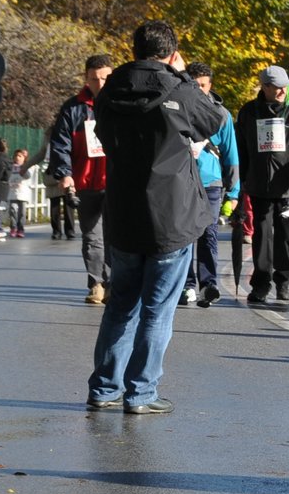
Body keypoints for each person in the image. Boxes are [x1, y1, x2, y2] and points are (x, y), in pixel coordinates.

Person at [85, 20, 226, 415]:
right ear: (172, 51)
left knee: (120, 305)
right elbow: (215, 119)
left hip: (124, 212)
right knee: (158, 308)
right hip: (172, 215)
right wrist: (180, 74)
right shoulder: (180, 88)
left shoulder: (111, 89)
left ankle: (104, 387)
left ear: (134, 49)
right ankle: (141, 392)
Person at [235, 65, 289, 305]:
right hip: (258, 186)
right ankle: (260, 284)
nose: (282, 91)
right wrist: (241, 181)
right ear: (265, 87)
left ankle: (283, 281)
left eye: (285, 87)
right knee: (262, 237)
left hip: (288, 189)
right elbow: (241, 149)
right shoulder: (249, 112)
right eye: (277, 87)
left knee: (286, 237)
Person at [48, 55, 114, 303]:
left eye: (105, 78)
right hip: (84, 183)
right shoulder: (73, 108)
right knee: (91, 237)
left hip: (115, 182)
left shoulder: (122, 105)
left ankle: (113, 283)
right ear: (86, 78)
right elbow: (60, 145)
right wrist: (65, 174)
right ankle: (96, 283)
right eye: (94, 79)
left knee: (115, 236)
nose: (99, 83)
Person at [179, 63, 239, 308]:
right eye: (194, 85)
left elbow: (231, 154)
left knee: (209, 234)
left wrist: (233, 192)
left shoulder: (222, 115)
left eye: (203, 85)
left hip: (211, 184)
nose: (199, 90)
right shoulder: (177, 109)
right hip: (181, 182)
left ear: (210, 86)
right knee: (183, 236)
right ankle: (187, 285)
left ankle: (208, 283)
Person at [6, 147, 34, 238]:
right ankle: (13, 228)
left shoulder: (26, 167)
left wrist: (23, 168)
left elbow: (28, 176)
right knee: (12, 211)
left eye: (20, 156)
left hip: (22, 194)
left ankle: (20, 229)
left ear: (24, 158)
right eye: (16, 156)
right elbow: (6, 176)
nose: (17, 158)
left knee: (21, 213)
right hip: (12, 193)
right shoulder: (11, 167)